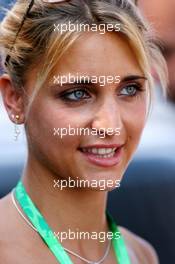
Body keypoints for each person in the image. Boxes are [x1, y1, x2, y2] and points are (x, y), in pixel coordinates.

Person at [0, 0, 167, 263]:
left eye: (129, 89)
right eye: (77, 93)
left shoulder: (142, 254)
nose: (111, 125)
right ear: (14, 99)